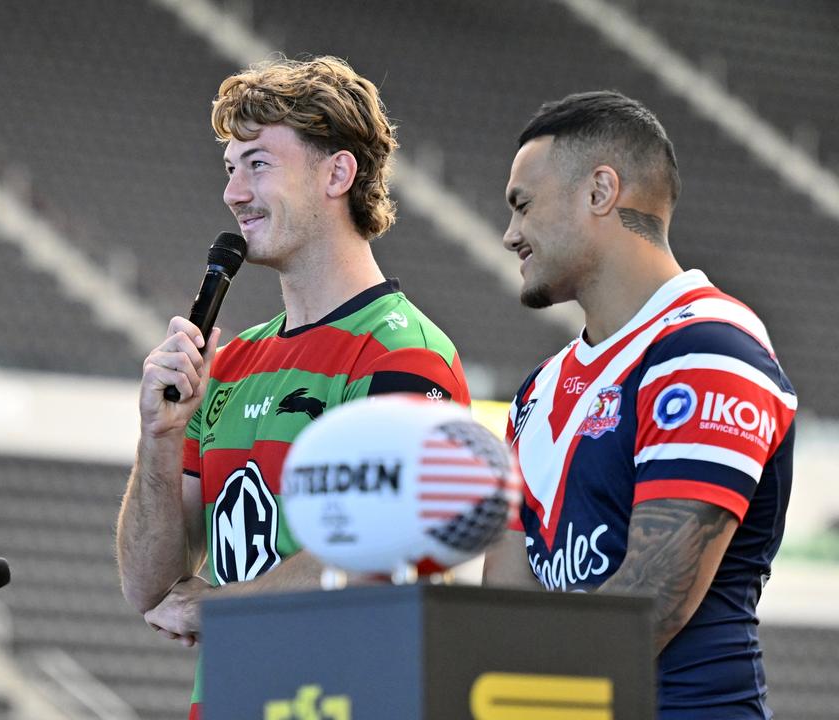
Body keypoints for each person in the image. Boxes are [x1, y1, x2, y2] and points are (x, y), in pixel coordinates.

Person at [116, 56, 471, 718]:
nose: (233, 192)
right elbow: (150, 589)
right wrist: (158, 439)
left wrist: (221, 606)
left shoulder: (403, 351)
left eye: (257, 164)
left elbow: (383, 552)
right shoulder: (232, 360)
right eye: (230, 169)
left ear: (338, 173)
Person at [482, 91, 796, 718]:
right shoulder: (538, 388)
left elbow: (651, 601)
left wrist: (508, 694)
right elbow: (506, 604)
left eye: (523, 205)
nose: (511, 233)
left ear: (600, 191)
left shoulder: (708, 347)